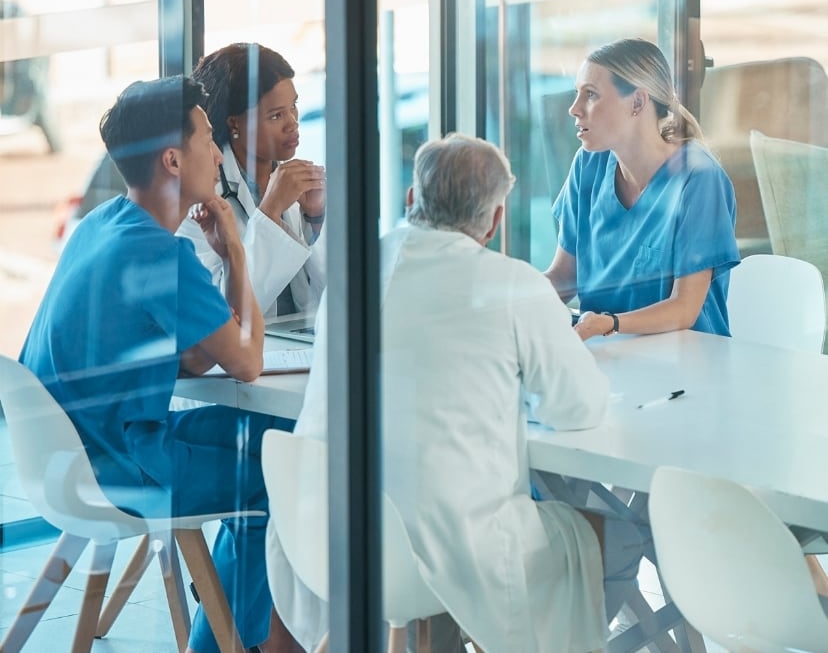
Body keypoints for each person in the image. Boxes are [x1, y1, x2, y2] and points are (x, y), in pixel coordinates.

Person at [267, 133, 633, 653]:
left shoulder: (356, 271)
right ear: (495, 219)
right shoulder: (511, 284)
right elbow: (577, 407)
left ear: (412, 200)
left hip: (330, 537)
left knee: (433, 517)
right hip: (444, 553)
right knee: (612, 536)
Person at [19, 76, 300, 653]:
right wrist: (239, 255)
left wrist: (228, 270)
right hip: (119, 467)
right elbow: (246, 362)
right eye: (205, 138)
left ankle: (249, 629)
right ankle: (224, 643)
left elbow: (197, 356)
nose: (218, 153)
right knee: (285, 475)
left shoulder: (100, 224)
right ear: (174, 159)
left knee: (284, 437)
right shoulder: (161, 254)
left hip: (69, 456)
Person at [545, 37, 741, 341]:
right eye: (577, 94)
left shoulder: (699, 178)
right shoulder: (588, 164)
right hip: (610, 355)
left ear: (637, 102)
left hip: (690, 364)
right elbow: (563, 277)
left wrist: (609, 324)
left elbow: (684, 308)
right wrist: (509, 298)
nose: (574, 108)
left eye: (591, 95)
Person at [178, 42, 326, 319]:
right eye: (276, 115)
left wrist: (315, 218)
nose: (293, 123)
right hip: (246, 356)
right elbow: (225, 312)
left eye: (293, 106)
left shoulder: (296, 180)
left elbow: (340, 292)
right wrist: (269, 212)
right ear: (234, 124)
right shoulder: (197, 198)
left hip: (302, 348)